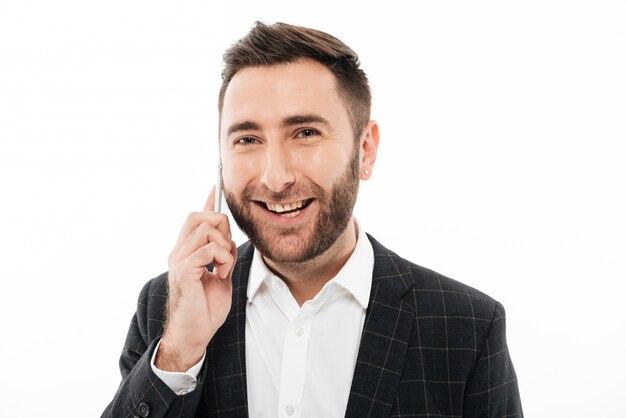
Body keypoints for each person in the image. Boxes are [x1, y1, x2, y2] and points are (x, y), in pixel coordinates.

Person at [102, 21, 523, 418]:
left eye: (305, 133)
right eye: (247, 139)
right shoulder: (167, 308)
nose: (276, 177)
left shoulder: (467, 328)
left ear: (366, 150)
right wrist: (179, 353)